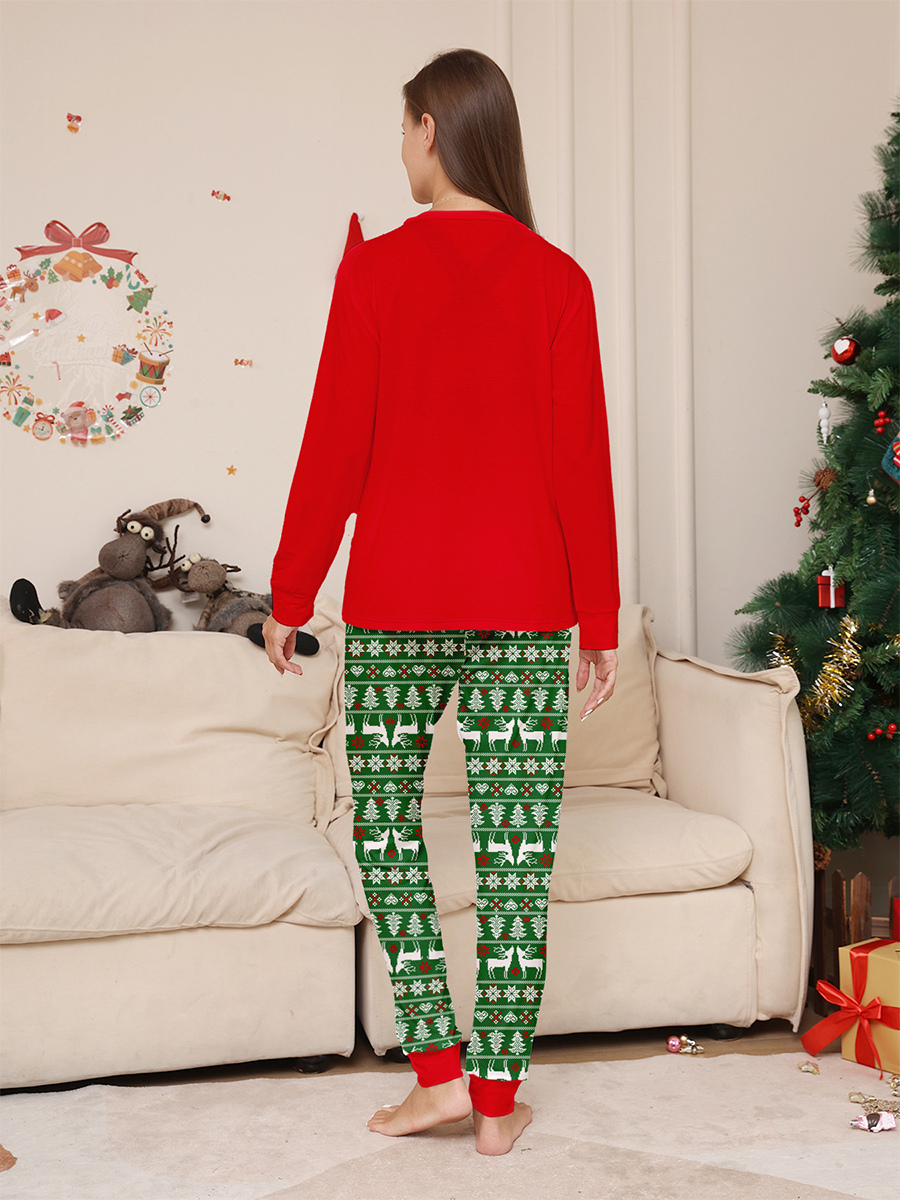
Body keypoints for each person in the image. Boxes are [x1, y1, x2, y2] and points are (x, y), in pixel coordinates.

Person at [263, 47, 619, 1157]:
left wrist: (290, 590)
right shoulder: (560, 280)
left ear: (429, 130)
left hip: (397, 606)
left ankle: (437, 1075)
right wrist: (599, 620)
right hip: (527, 608)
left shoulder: (375, 271)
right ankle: (497, 1102)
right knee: (518, 855)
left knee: (384, 827)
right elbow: (584, 465)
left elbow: (334, 444)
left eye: (404, 128)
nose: (402, 150)